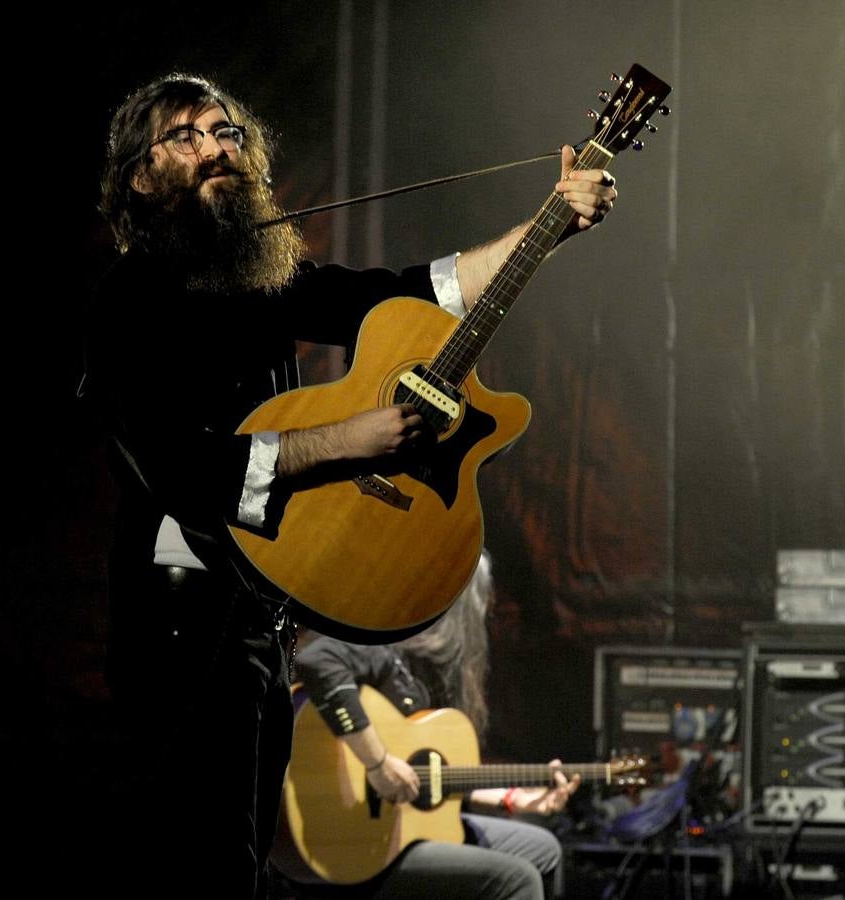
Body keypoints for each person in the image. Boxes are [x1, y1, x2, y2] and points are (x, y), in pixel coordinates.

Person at [80, 73, 617, 897]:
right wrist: (346, 441)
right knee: (188, 857)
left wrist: (545, 228)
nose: (216, 148)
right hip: (176, 622)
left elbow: (409, 296)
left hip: (259, 614)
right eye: (186, 136)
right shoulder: (128, 302)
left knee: (242, 856)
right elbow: (181, 466)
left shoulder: (256, 278)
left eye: (226, 132)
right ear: (140, 176)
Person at [289, 553, 579, 900]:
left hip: (401, 830)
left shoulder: (432, 674)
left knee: (543, 849)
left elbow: (431, 778)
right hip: (351, 842)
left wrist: (514, 798)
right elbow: (316, 660)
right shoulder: (387, 648)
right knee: (517, 878)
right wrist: (378, 763)